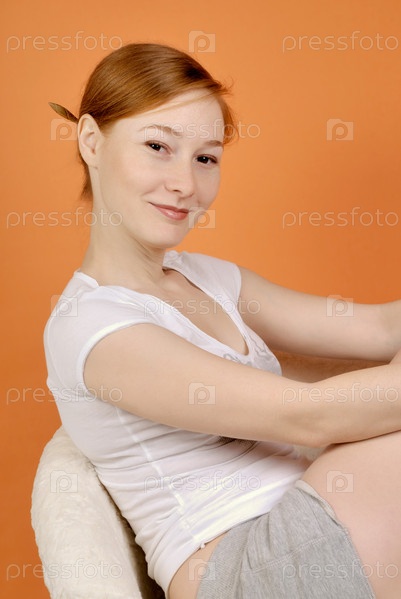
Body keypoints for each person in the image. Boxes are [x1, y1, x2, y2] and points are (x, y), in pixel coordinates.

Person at [44, 42, 401, 599]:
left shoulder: (208, 278)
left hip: (312, 521)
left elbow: (379, 329)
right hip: (241, 570)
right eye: (158, 147)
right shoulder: (91, 325)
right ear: (91, 141)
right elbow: (310, 417)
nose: (185, 184)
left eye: (205, 158)